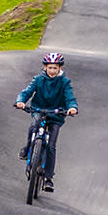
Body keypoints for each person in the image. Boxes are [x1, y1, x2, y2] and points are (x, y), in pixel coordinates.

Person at [14, 51, 78, 193]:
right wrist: (21, 101)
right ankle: (27, 147)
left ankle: (48, 179)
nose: (52, 70)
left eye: (55, 68)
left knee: (51, 146)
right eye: (50, 67)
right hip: (39, 110)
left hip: (56, 114)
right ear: (45, 67)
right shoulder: (38, 80)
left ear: (60, 68)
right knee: (33, 126)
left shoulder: (64, 82)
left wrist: (72, 107)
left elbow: (70, 97)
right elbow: (27, 92)